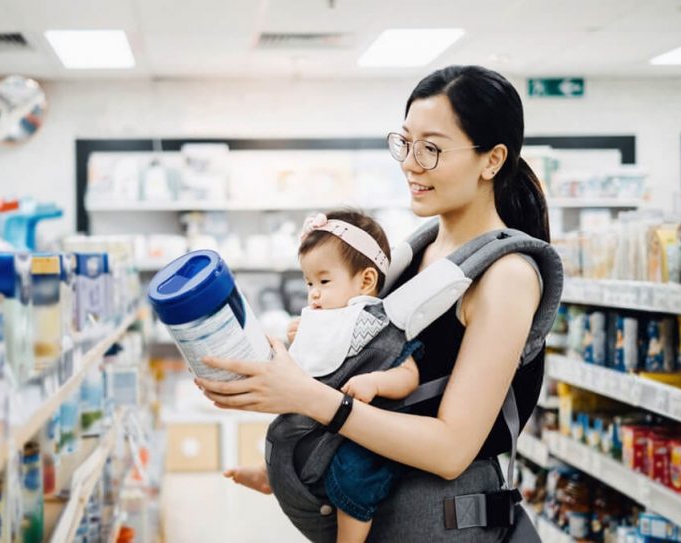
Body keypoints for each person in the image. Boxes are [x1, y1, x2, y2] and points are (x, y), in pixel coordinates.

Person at [200, 64, 552, 541]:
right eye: (405, 143)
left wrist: (308, 397)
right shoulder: (410, 257)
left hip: (443, 526)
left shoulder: (505, 276)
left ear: (491, 160)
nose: (409, 163)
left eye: (431, 148)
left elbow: (451, 448)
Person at [284, 208, 422, 543]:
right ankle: (267, 473)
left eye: (324, 281)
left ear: (365, 281)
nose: (314, 293)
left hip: (371, 431)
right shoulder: (325, 318)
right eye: (309, 283)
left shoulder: (376, 323)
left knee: (355, 474)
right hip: (327, 421)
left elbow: (409, 375)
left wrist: (375, 381)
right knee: (286, 433)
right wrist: (301, 338)